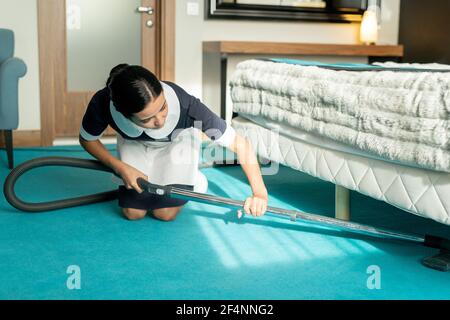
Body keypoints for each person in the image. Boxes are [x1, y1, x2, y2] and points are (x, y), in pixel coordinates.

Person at [79, 64, 268, 221]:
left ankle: (194, 180)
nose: (160, 120)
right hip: (134, 142)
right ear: (124, 115)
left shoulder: (188, 107)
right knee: (133, 213)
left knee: (164, 214)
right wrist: (120, 167)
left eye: (163, 107)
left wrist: (259, 193)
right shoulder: (103, 103)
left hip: (178, 142)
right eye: (147, 119)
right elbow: (87, 139)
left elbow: (240, 145)